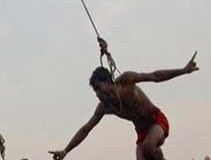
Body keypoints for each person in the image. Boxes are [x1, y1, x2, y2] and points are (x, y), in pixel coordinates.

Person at [50, 52, 199, 160]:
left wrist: (182, 70)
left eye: (99, 88)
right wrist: (66, 151)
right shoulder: (104, 107)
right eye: (95, 91)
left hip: (156, 121)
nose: (98, 94)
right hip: (141, 132)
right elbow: (86, 129)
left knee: (148, 147)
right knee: (143, 154)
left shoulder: (126, 82)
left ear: (108, 82)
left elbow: (155, 76)